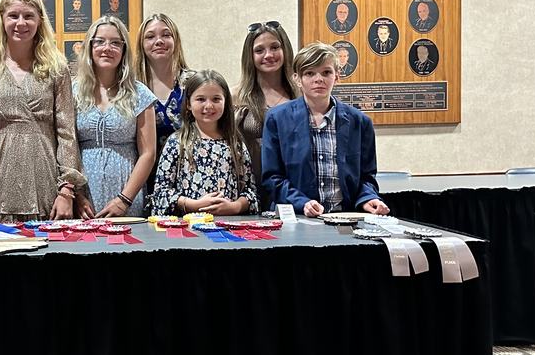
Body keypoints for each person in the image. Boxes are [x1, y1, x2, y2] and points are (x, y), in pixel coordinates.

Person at [0, 0, 86, 222]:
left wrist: (67, 190)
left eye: (29, 16)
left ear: (40, 20)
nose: (21, 23)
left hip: (46, 180)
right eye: (13, 16)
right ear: (2, 19)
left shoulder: (57, 68)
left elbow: (67, 133)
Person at [261, 42, 390, 216]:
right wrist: (302, 202)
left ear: (337, 76)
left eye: (326, 72)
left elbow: (367, 177)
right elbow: (271, 178)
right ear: (297, 79)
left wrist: (368, 198)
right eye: (309, 73)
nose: (318, 79)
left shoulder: (360, 122)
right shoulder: (277, 119)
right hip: (296, 216)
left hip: (345, 217)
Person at [74, 15, 156, 217]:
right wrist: (76, 196)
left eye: (115, 43)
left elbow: (148, 153)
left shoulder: (139, 93)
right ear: (89, 47)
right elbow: (66, 148)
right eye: (99, 41)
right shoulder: (71, 92)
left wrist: (124, 200)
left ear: (124, 50)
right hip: (83, 200)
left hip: (127, 197)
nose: (107, 48)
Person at [151, 70, 257, 217]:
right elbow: (161, 193)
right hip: (188, 229)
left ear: (226, 102)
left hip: (228, 226)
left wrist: (235, 207)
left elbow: (250, 192)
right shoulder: (177, 143)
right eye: (201, 99)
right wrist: (193, 205)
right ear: (188, 104)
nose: (208, 106)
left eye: (216, 99)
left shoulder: (236, 144)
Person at [234, 20, 299, 200]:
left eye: (275, 47)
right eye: (259, 50)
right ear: (249, 56)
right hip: (248, 193)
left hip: (292, 192)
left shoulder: (301, 95)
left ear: (285, 49)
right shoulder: (235, 97)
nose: (268, 55)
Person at [134, 13, 195, 199]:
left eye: (166, 35)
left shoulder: (193, 83)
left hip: (188, 182)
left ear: (175, 40)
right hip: (141, 183)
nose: (159, 41)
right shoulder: (131, 87)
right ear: (141, 45)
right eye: (150, 36)